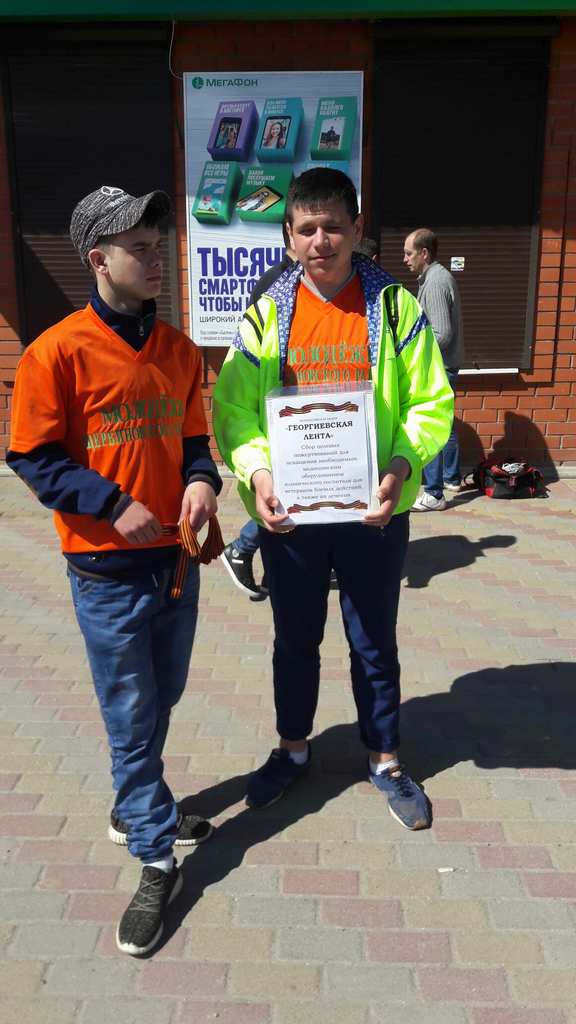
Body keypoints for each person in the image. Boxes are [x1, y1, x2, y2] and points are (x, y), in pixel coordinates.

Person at [7, 185, 222, 957]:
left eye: (158, 246)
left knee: (163, 695)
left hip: (177, 559)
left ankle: (137, 804)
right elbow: (31, 456)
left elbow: (194, 440)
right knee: (131, 714)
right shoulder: (56, 351)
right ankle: (156, 856)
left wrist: (203, 481)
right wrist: (108, 502)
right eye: (139, 248)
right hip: (105, 570)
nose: (156, 259)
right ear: (98, 259)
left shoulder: (179, 350)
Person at [213, 168, 453, 830]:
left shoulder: (395, 309)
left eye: (334, 227)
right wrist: (259, 474)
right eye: (308, 228)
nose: (321, 240)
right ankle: (293, 751)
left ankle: (385, 759)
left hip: (374, 511)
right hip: (292, 516)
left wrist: (401, 467)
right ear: (289, 236)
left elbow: (431, 400)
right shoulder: (268, 312)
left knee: (373, 641)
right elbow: (234, 409)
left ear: (357, 230)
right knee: (294, 641)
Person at [220, 221, 296, 601]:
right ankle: (243, 549)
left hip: (301, 418)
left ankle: (265, 568)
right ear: (291, 236)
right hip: (280, 417)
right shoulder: (276, 284)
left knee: (287, 501)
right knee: (279, 499)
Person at [403, 228, 465, 511]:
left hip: (439, 365)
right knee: (445, 421)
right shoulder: (434, 277)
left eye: (409, 253)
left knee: (430, 425)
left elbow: (442, 333)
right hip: (447, 364)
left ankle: (434, 494)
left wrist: (413, 351)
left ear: (424, 253)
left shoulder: (436, 281)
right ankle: (451, 478)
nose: (405, 259)